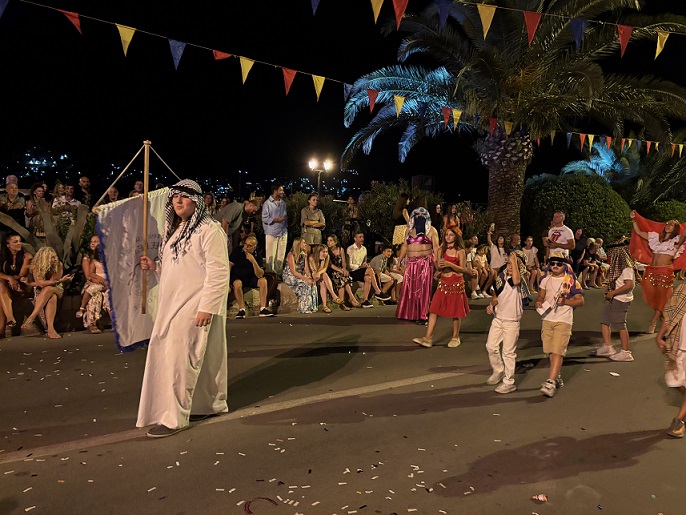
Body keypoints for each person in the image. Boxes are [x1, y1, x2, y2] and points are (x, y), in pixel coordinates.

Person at [137, 179, 230, 438]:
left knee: (180, 359)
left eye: (184, 197)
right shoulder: (177, 231)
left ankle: (173, 417)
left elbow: (219, 271)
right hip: (174, 303)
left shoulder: (210, 230)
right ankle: (208, 404)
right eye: (175, 197)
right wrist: (155, 267)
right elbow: (176, 267)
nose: (177, 201)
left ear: (197, 201)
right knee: (203, 357)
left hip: (195, 304)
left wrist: (207, 306)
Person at [535, 251, 584, 398]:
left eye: (559, 263)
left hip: (564, 320)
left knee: (558, 350)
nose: (555, 266)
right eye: (553, 263)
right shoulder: (545, 279)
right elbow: (541, 295)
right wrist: (539, 301)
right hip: (547, 318)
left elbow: (580, 301)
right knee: (550, 349)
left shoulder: (571, 281)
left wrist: (566, 301)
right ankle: (556, 376)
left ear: (565, 265)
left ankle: (550, 382)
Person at [413, 226, 471, 347]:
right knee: (433, 309)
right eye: (446, 235)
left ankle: (455, 337)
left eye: (451, 235)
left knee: (456, 312)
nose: (448, 237)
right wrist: (437, 265)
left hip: (456, 283)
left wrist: (449, 264)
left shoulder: (460, 251)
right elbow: (439, 267)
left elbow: (462, 269)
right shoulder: (440, 250)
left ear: (456, 236)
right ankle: (428, 338)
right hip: (443, 282)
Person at [630, 210, 686, 333]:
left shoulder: (676, 241)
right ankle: (664, 317)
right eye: (667, 223)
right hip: (651, 270)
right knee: (653, 295)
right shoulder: (655, 237)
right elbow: (639, 232)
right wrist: (634, 220)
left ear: (676, 228)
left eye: (672, 224)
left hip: (665, 271)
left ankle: (653, 322)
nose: (668, 225)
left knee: (662, 297)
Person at [484, 251, 526, 394]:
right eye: (508, 263)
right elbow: (496, 295)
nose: (510, 266)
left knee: (508, 353)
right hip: (498, 318)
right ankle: (499, 370)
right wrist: (492, 304)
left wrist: (514, 261)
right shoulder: (501, 277)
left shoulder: (521, 278)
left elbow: (516, 281)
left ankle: (509, 382)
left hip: (511, 321)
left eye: (514, 264)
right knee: (491, 346)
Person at [595, 238, 637, 361]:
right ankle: (607, 346)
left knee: (620, 325)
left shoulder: (626, 268)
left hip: (621, 299)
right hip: (613, 298)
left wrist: (613, 293)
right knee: (605, 321)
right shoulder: (618, 267)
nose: (610, 255)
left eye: (612, 252)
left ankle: (626, 352)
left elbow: (629, 285)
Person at [20, 246, 74, 339]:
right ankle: (51, 330)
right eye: (52, 257)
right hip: (41, 291)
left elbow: (54, 283)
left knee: (50, 289)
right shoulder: (36, 266)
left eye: (55, 256)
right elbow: (40, 284)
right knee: (52, 297)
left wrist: (59, 281)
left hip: (57, 289)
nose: (55, 259)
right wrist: (59, 280)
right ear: (44, 258)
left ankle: (32, 317)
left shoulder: (59, 265)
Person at [397, 207, 439, 322]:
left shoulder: (431, 230)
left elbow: (436, 247)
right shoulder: (409, 230)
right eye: (416, 216)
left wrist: (438, 261)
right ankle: (409, 313)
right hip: (410, 263)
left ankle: (422, 313)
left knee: (423, 289)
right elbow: (405, 246)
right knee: (409, 289)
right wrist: (399, 261)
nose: (419, 218)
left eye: (422, 216)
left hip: (425, 262)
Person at [655, 282, 686, 438]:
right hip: (679, 347)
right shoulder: (683, 290)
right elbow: (669, 315)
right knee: (674, 381)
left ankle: (679, 421)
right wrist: (660, 336)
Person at [230, 235, 274, 319]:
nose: (246, 247)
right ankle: (241, 309)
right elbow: (230, 264)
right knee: (237, 283)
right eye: (245, 244)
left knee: (263, 281)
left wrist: (253, 261)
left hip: (250, 278)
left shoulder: (257, 255)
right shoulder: (237, 250)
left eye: (249, 246)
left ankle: (262, 308)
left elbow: (260, 275)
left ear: (254, 247)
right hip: (237, 276)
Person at [75, 235, 110, 333]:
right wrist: (100, 280)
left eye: (96, 241)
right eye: (91, 242)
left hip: (106, 284)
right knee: (96, 296)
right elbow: (89, 276)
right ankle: (91, 323)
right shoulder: (88, 259)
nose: (93, 243)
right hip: (92, 283)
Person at [347, 231, 391, 308]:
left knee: (368, 278)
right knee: (370, 270)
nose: (362, 239)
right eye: (360, 237)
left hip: (362, 271)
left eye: (363, 237)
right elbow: (349, 265)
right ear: (355, 238)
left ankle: (365, 301)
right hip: (353, 272)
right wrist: (360, 266)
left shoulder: (364, 249)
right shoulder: (350, 249)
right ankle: (378, 292)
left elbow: (364, 261)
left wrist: (365, 265)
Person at [0, 233, 32, 332]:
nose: (19, 243)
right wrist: (9, 278)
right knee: (1, 285)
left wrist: (11, 279)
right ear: (8, 244)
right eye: (15, 242)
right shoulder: (2, 256)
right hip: (6, 285)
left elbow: (21, 275)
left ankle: (2, 329)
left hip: (21, 285)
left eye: (19, 241)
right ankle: (9, 319)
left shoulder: (26, 256)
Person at [282, 237, 318, 314]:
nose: (305, 244)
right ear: (298, 244)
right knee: (305, 284)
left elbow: (306, 268)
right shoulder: (291, 255)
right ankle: (303, 308)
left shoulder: (304, 254)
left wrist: (309, 277)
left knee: (312, 284)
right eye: (304, 243)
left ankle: (312, 307)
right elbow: (293, 271)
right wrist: (305, 279)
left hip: (299, 274)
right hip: (290, 276)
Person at [261, 183, 288, 275]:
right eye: (281, 190)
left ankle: (278, 274)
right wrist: (276, 220)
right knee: (270, 255)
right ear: (275, 191)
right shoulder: (267, 203)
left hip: (283, 232)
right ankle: (270, 275)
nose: (283, 192)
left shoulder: (283, 203)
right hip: (271, 233)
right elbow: (264, 218)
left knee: (281, 255)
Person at [308, 244, 343, 313]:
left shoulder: (327, 257)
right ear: (318, 252)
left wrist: (323, 262)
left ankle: (325, 306)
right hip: (312, 276)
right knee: (324, 275)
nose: (325, 254)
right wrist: (322, 263)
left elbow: (324, 269)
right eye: (323, 252)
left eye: (326, 252)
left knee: (323, 282)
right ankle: (334, 296)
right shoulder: (312, 257)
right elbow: (316, 272)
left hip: (320, 276)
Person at [326, 234, 357, 310]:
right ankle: (351, 298)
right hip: (331, 271)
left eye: (331, 241)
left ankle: (342, 302)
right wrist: (341, 271)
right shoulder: (327, 251)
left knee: (343, 277)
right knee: (341, 277)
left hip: (340, 271)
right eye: (328, 241)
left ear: (335, 242)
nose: (328, 242)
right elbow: (330, 265)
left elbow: (343, 262)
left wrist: (344, 269)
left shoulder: (340, 249)